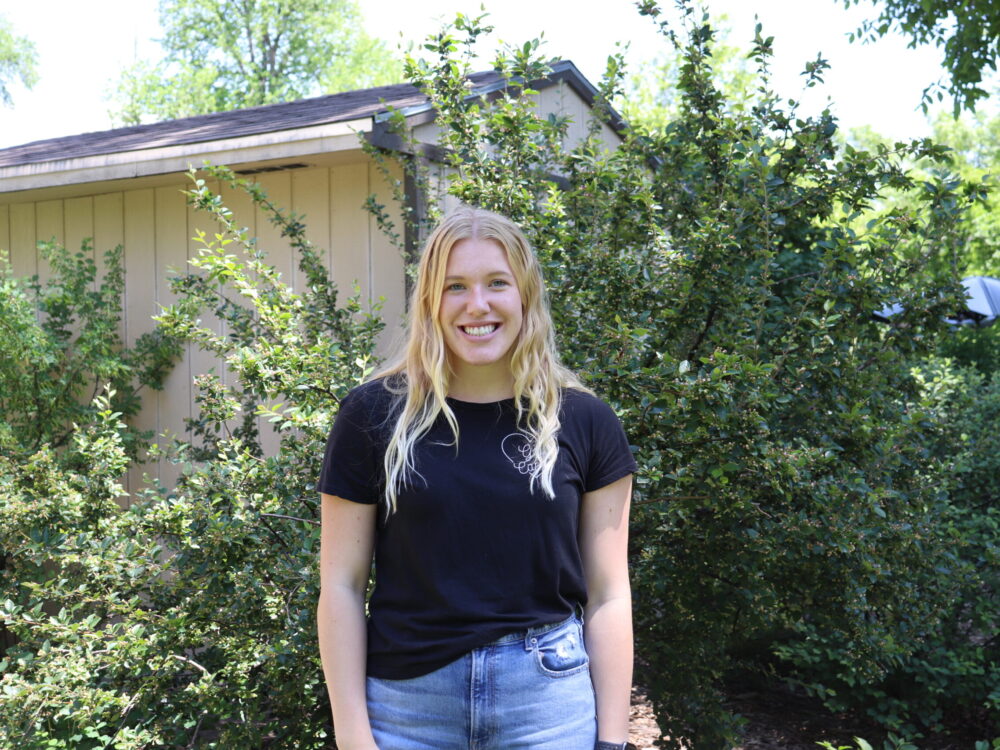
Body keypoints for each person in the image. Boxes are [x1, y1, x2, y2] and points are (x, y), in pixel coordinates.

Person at [316, 206, 637, 750]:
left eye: (496, 283)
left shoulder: (584, 421)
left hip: (548, 709)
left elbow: (608, 595)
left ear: (526, 296)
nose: (477, 305)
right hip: (405, 711)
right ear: (430, 302)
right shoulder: (373, 415)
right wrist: (353, 737)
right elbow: (341, 587)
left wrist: (611, 740)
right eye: (455, 287)